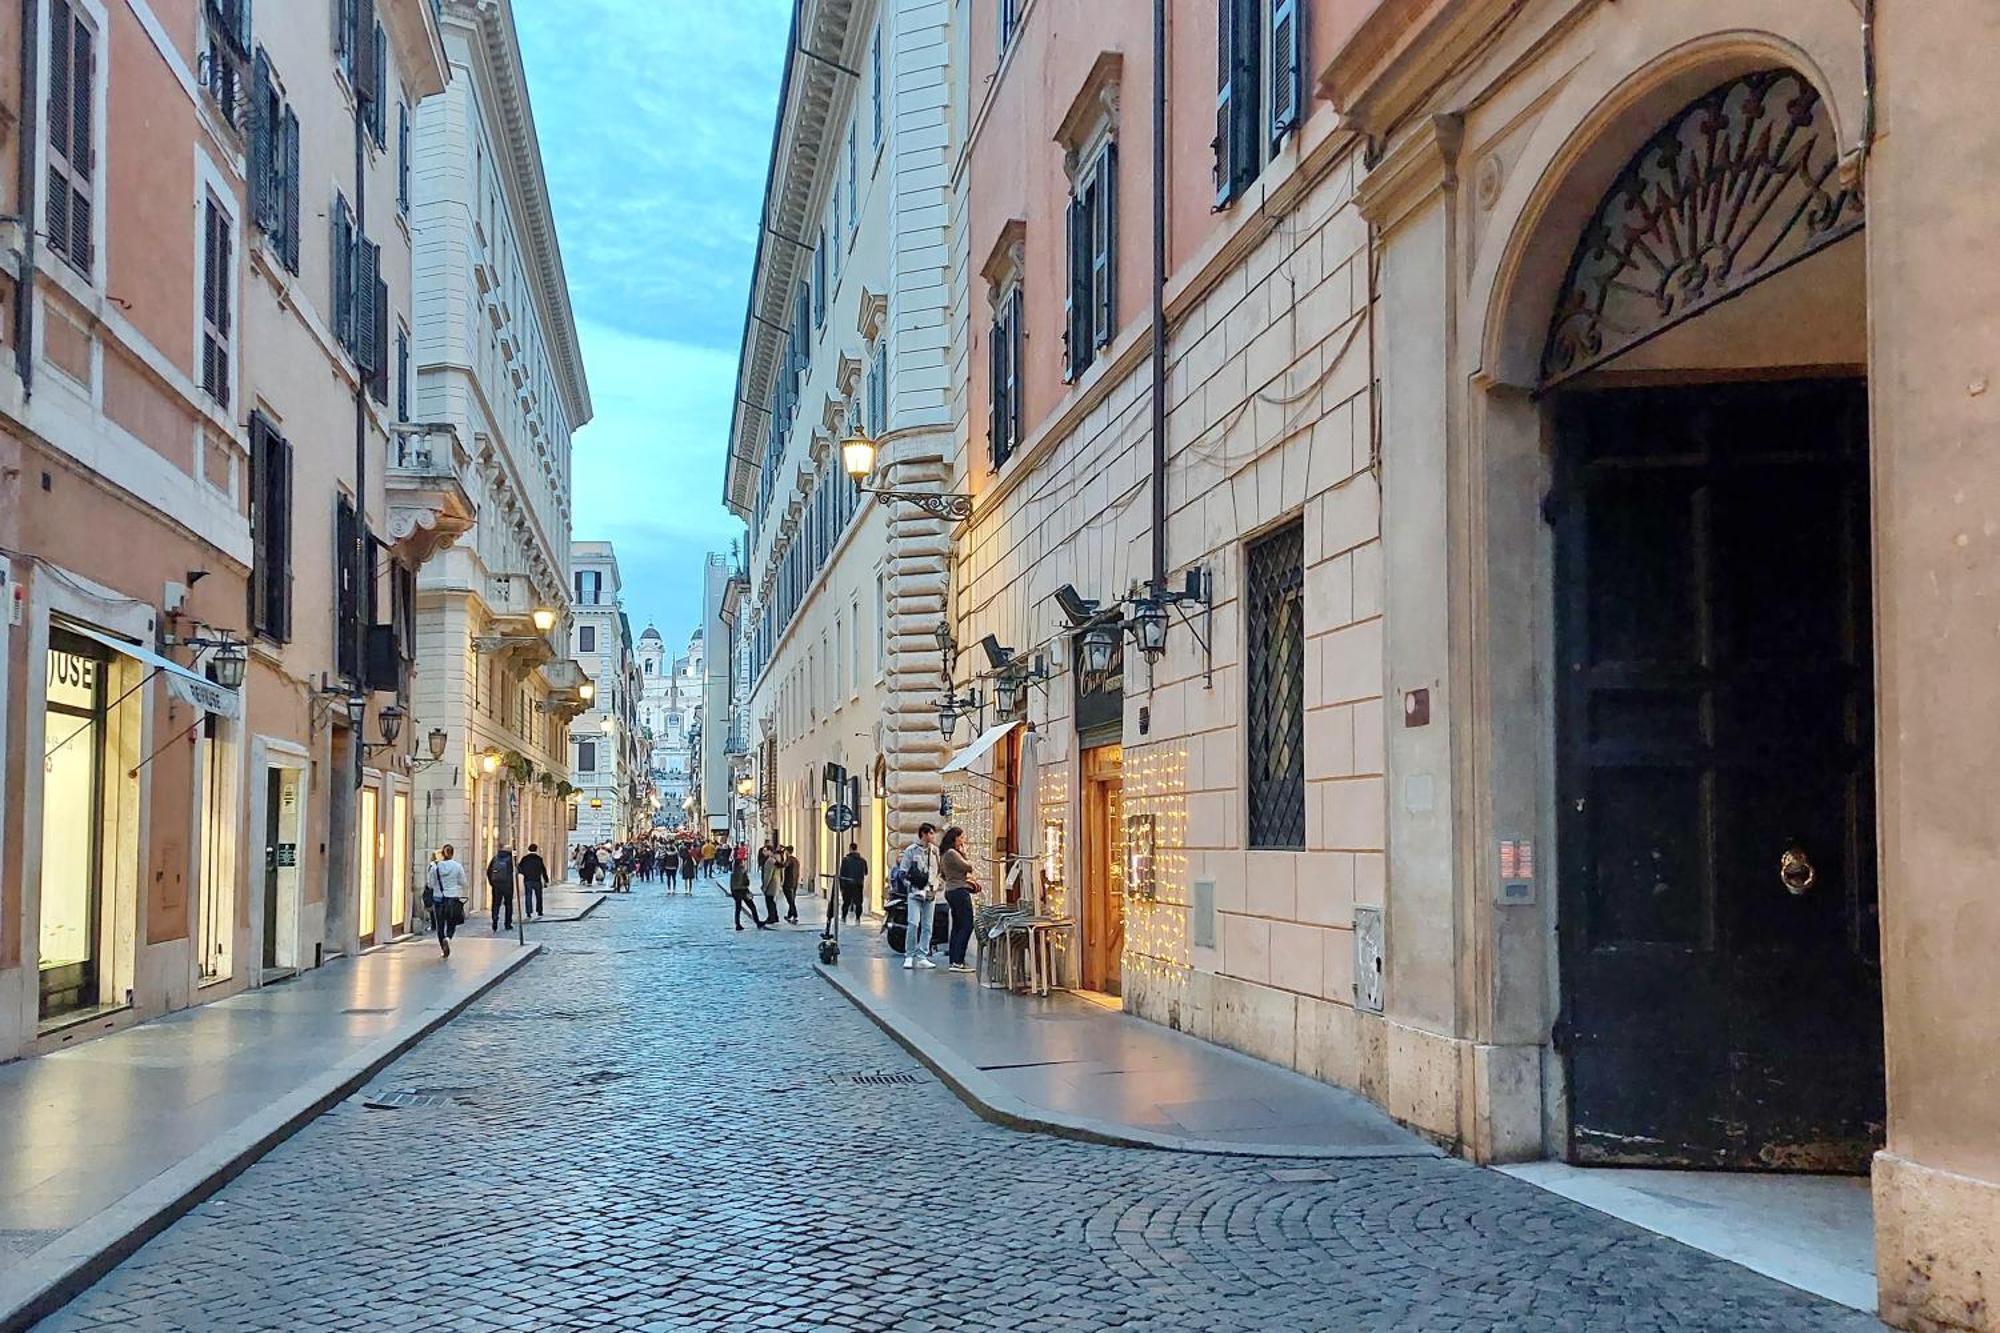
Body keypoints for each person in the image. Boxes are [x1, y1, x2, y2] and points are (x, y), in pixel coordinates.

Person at [938, 826, 980, 973]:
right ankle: (958, 961)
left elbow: (943, 874)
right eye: (961, 837)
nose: (963, 840)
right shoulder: (952, 853)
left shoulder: (944, 854)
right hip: (959, 891)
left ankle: (954, 960)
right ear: (955, 838)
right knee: (967, 924)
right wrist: (964, 854)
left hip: (951, 890)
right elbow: (967, 866)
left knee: (957, 926)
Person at [900, 823, 939, 970]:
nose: (933, 836)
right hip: (914, 892)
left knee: (928, 926)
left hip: (930, 892)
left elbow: (938, 870)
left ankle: (922, 955)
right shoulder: (911, 850)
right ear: (923, 834)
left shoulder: (935, 851)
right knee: (913, 923)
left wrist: (936, 885)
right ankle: (909, 955)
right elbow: (902, 871)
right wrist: (910, 886)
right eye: (930, 833)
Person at [428, 844, 467, 958]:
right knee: (452, 921)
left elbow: (430, 884)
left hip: (439, 898)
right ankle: (448, 938)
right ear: (452, 853)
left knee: (440, 925)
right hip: (452, 897)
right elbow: (463, 882)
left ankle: (443, 947)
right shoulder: (457, 866)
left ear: (442, 854)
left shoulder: (435, 867)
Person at [729, 853, 769, 931]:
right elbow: (746, 882)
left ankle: (737, 924)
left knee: (738, 909)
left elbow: (731, 884)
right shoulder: (743, 870)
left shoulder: (733, 872)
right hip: (743, 891)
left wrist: (733, 892)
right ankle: (757, 922)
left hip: (736, 891)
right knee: (752, 907)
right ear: (741, 863)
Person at [486, 844, 518, 931]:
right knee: (508, 904)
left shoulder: (495, 858)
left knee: (496, 904)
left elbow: (489, 871)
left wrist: (492, 883)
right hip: (507, 885)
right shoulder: (511, 860)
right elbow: (517, 870)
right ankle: (508, 923)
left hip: (496, 885)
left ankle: (495, 918)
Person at [837, 842, 868, 924]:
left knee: (846, 902)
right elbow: (866, 872)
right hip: (858, 884)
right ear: (856, 848)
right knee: (858, 903)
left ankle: (844, 917)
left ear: (850, 848)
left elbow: (842, 873)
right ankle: (857, 919)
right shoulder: (862, 860)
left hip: (848, 884)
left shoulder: (845, 860)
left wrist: (841, 886)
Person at [518, 843, 549, 920]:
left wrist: (524, 873)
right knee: (539, 896)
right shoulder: (539, 859)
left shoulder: (525, 859)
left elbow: (519, 868)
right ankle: (539, 911)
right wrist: (546, 880)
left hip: (528, 880)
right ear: (536, 849)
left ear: (528, 849)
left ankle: (528, 912)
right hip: (537, 880)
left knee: (528, 896)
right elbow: (543, 870)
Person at [760, 843, 783, 925]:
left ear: (770, 851)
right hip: (775, 883)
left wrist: (764, 886)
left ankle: (771, 917)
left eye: (765, 851)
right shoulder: (776, 859)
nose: (763, 852)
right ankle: (774, 917)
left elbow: (768, 875)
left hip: (771, 885)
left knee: (769, 901)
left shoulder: (770, 861)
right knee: (772, 901)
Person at [780, 845, 801, 924]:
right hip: (795, 882)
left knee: (790, 900)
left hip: (788, 883)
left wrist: (777, 861)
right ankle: (789, 915)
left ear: (787, 852)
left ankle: (795, 916)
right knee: (792, 899)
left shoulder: (789, 860)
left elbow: (783, 865)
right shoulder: (796, 860)